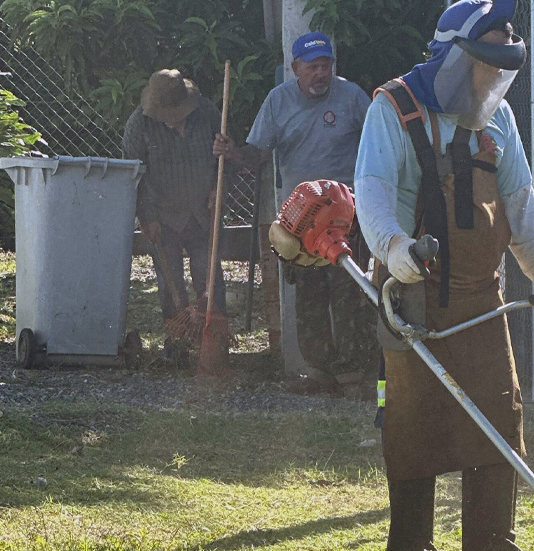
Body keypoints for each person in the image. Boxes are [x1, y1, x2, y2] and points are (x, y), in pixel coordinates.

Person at [351, 0, 534, 551]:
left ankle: (491, 545)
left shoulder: (499, 120)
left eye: (504, 70)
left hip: (484, 297)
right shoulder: (394, 108)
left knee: (497, 414)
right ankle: (412, 550)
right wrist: (398, 253)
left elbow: (521, 213)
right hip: (410, 292)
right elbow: (374, 193)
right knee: (412, 417)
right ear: (458, 60)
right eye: (488, 67)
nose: (495, 82)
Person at [213, 31, 374, 396]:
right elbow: (256, 155)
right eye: (313, 67)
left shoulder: (352, 97)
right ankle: (320, 372)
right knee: (308, 294)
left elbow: (377, 142)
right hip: (300, 218)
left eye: (326, 66)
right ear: (295, 68)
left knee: (350, 290)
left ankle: (354, 375)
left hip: (347, 213)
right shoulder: (277, 101)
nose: (322, 74)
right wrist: (233, 153)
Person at [122, 69, 225, 356]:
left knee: (210, 276)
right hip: (163, 215)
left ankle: (215, 343)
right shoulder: (138, 125)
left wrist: (220, 185)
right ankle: (176, 342)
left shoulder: (208, 113)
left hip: (203, 212)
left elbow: (225, 157)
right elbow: (135, 177)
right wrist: (147, 217)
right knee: (170, 282)